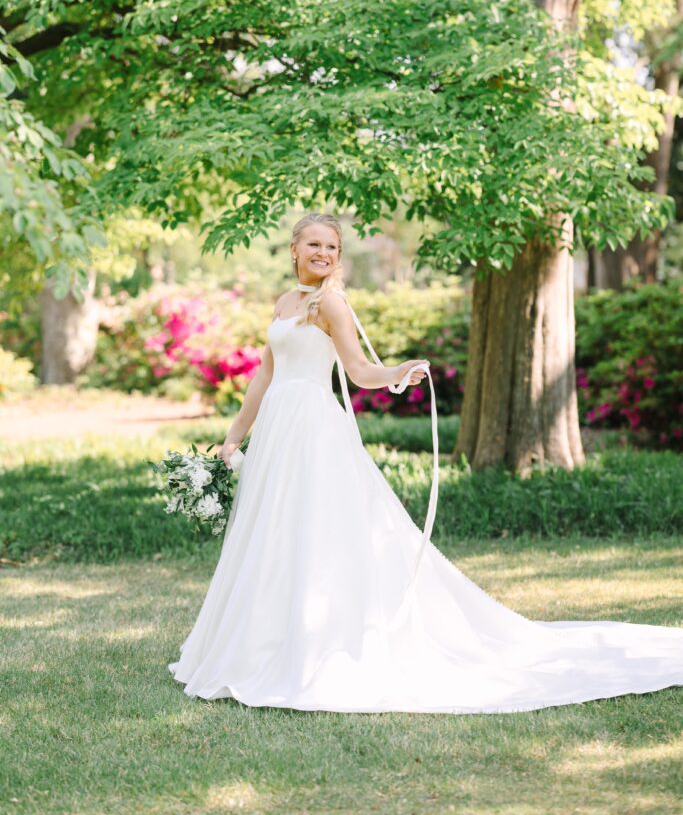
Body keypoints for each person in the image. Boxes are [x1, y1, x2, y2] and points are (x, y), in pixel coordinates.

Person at [168, 213, 683, 713]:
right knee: (275, 532)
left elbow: (358, 369)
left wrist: (399, 371)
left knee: (320, 528)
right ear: (294, 250)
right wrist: (234, 438)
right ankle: (263, 641)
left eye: (332, 247)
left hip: (312, 429)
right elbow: (264, 375)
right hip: (280, 427)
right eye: (315, 245)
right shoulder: (284, 302)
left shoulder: (332, 305)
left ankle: (320, 644)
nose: (323, 253)